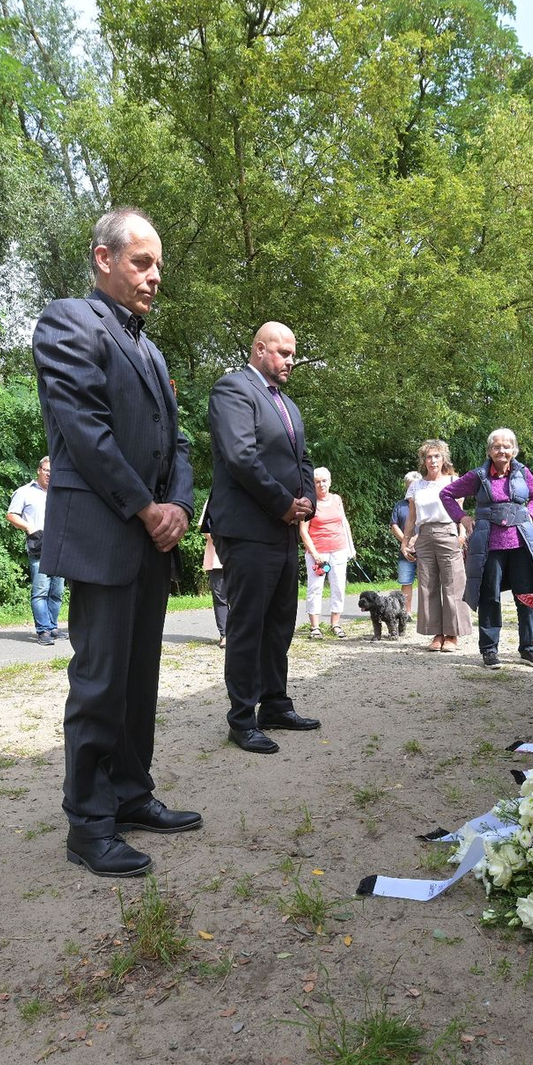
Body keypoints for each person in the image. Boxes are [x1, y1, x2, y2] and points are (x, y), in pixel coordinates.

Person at [33, 206, 203, 880]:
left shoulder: (152, 349)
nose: (155, 275)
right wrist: (145, 506)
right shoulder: (69, 322)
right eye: (142, 261)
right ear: (102, 258)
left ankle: (132, 794)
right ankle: (89, 820)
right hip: (107, 530)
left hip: (152, 537)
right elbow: (84, 431)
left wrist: (181, 506)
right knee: (100, 681)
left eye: (159, 264)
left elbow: (179, 442)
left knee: (138, 678)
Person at [206, 322, 320, 754]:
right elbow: (241, 456)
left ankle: (275, 703)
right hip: (249, 528)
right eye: (283, 352)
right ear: (259, 350)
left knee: (279, 623)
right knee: (248, 625)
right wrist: (282, 503)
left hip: (284, 528)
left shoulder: (288, 404)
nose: (290, 360)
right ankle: (242, 718)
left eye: (293, 353)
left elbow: (302, 459)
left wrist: (306, 499)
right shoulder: (232, 390)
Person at [442, 429, 533, 670]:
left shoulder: (523, 473)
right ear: (489, 450)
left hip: (522, 544)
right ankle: (489, 650)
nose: (502, 451)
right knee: (490, 596)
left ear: (514, 450)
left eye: (507, 446)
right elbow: (447, 494)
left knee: (527, 596)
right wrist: (462, 518)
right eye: (497, 447)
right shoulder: (479, 476)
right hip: (489, 545)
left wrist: (530, 513)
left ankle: (529, 647)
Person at [401, 439, 470, 652]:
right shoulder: (416, 486)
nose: (433, 460)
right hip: (425, 535)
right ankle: (436, 634)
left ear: (443, 459)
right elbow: (411, 518)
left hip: (448, 532)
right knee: (427, 586)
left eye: (437, 456)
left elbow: (460, 512)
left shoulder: (453, 481)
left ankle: (452, 635)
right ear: (424, 460)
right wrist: (405, 542)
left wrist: (462, 535)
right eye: (429, 456)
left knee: (453, 584)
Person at [7, 455, 66, 645]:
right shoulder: (24, 492)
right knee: (41, 590)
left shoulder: (58, 492)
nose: (50, 475)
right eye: (47, 471)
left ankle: (52, 626)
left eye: (53, 472)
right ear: (39, 470)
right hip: (39, 544)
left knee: (57, 590)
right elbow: (11, 515)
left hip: (59, 545)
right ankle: (43, 631)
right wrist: (29, 528)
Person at [299, 467, 354, 639]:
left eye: (324, 481)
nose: (321, 484)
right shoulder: (309, 502)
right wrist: (315, 554)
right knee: (315, 588)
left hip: (338, 550)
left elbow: (344, 522)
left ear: (330, 482)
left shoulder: (337, 499)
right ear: (313, 483)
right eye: (317, 481)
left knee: (338, 587)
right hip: (318, 554)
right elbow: (303, 531)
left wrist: (350, 547)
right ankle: (315, 627)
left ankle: (335, 624)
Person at [197, 500, 228, 647]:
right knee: (220, 598)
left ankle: (240, 634)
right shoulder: (213, 499)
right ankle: (225, 635)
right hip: (216, 559)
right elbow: (204, 528)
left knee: (241, 599)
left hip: (240, 559)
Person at [390, 471, 419, 613]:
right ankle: (406, 613)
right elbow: (394, 525)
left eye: (414, 486)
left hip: (425, 549)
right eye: (409, 486)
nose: (411, 488)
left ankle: (427, 614)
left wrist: (416, 539)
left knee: (428, 583)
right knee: (406, 582)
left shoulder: (425, 503)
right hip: (405, 550)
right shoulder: (399, 505)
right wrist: (406, 542)